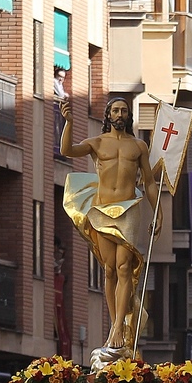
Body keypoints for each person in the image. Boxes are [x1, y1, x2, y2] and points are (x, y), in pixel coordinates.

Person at [59, 94, 165, 354]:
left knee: (124, 266)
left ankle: (118, 327)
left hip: (129, 208)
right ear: (108, 116)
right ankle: (114, 322)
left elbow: (149, 182)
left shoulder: (139, 147)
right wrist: (69, 122)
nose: (120, 115)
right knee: (109, 270)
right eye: (115, 111)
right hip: (102, 209)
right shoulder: (97, 143)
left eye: (124, 111)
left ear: (129, 117)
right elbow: (67, 151)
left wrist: (158, 212)